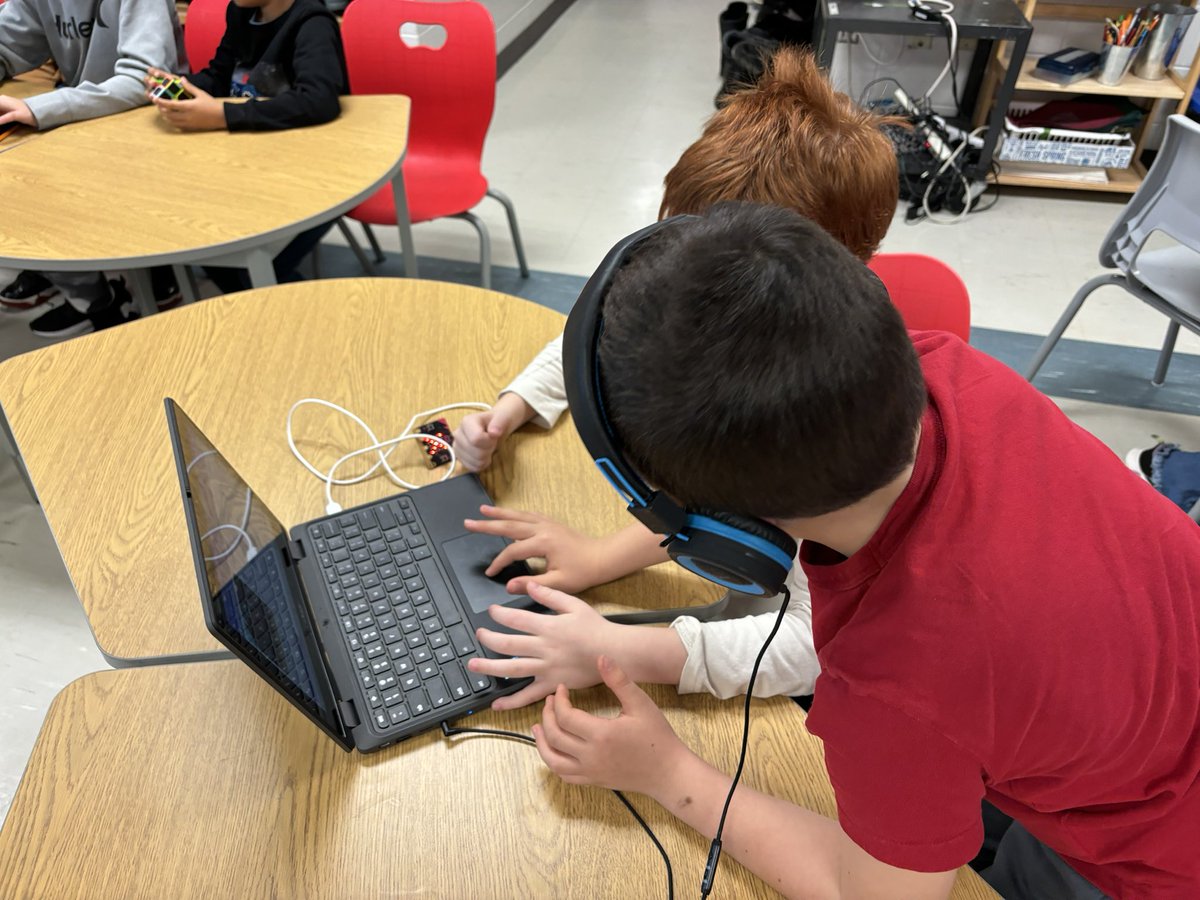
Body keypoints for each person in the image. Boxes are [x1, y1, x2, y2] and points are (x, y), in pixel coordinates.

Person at [468, 203, 1200, 898]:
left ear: (726, 537)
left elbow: (870, 890)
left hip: (1143, 858)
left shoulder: (899, 684)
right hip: (1134, 708)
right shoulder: (948, 372)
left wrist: (667, 771)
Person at [453, 46, 898, 474]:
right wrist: (506, 414)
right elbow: (590, 340)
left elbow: (761, 520)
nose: (700, 261)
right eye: (692, 233)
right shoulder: (690, 269)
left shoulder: (835, 380)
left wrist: (599, 556)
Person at [0, 0, 185, 336]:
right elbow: (8, 42)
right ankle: (94, 299)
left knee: (34, 188)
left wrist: (39, 108)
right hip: (86, 116)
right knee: (17, 183)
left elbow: (145, 80)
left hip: (156, 118)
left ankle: (116, 291)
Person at [144, 0, 347, 292]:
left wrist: (223, 116)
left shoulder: (313, 23)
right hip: (249, 165)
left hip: (311, 178)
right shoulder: (241, 13)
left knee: (256, 269)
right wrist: (181, 86)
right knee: (208, 250)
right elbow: (218, 77)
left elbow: (318, 101)